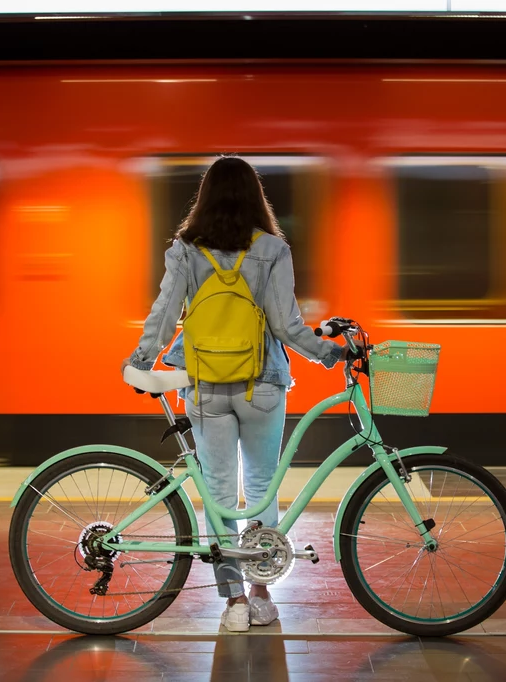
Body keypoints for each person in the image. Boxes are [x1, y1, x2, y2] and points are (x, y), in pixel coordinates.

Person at [123, 155, 351, 632]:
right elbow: (287, 326)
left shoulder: (185, 249)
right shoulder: (271, 249)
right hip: (262, 384)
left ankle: (232, 605)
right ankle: (261, 593)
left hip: (204, 385)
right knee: (263, 487)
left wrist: (141, 361)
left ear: (204, 198)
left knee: (219, 493)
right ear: (255, 197)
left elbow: (165, 313)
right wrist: (328, 353)